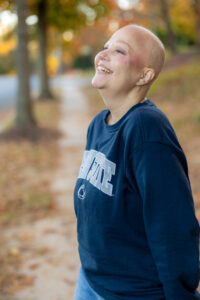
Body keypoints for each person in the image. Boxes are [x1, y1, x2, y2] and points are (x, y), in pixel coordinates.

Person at [73, 24, 200, 300]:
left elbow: (173, 226)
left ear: (144, 75)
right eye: (105, 46)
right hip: (91, 281)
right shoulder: (98, 124)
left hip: (134, 292)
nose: (103, 54)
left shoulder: (146, 129)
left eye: (119, 50)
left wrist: (180, 295)